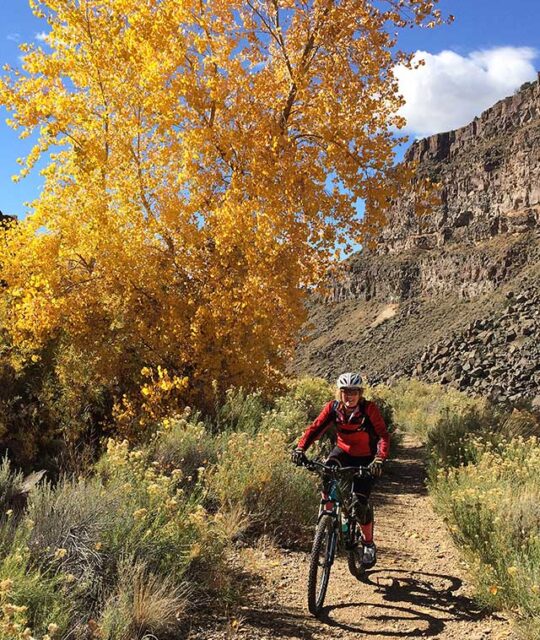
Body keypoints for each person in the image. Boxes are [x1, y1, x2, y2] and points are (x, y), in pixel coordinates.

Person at [291, 372, 389, 567]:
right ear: (340, 392)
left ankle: (368, 544)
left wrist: (379, 459)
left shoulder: (369, 409)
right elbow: (315, 428)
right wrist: (300, 448)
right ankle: (327, 522)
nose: (349, 396)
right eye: (345, 391)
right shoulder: (334, 408)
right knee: (327, 474)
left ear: (360, 393)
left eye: (354, 391)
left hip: (366, 458)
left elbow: (383, 436)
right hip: (342, 452)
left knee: (360, 504)